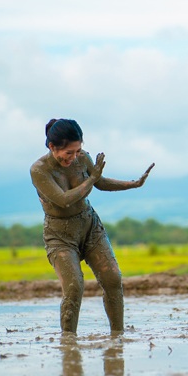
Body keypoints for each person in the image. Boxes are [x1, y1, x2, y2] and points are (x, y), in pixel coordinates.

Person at [30, 118, 154, 334]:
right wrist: (92, 179)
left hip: (89, 225)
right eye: (68, 152)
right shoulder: (39, 170)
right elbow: (63, 199)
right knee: (74, 287)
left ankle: (118, 338)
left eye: (78, 151)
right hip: (59, 235)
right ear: (52, 147)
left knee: (113, 279)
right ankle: (69, 345)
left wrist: (133, 184)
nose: (74, 157)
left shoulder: (82, 159)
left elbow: (101, 182)